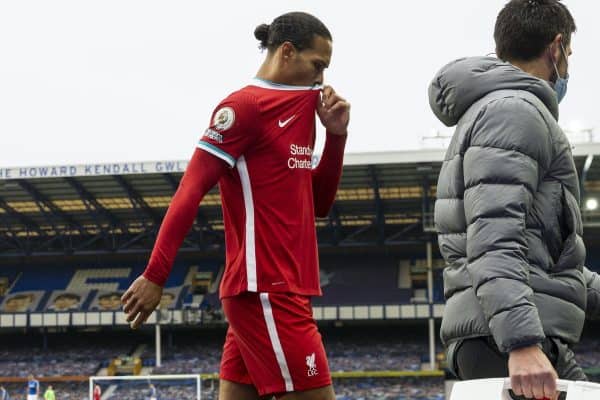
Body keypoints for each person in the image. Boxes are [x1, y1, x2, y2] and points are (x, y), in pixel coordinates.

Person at [121, 11, 349, 400]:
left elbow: (319, 205)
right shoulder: (244, 108)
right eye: (317, 65)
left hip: (279, 289)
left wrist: (336, 136)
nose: (322, 78)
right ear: (288, 52)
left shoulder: (304, 111)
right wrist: (156, 274)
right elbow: (189, 190)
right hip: (266, 290)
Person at [429, 1, 600, 399]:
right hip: (506, 339)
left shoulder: (503, 110)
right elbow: (494, 237)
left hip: (512, 330)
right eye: (569, 55)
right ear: (556, 48)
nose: (568, 67)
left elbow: (549, 258)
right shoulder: (515, 112)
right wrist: (520, 343)